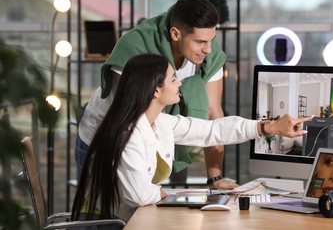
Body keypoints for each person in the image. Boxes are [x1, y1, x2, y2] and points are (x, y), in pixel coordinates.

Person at [71, 54, 313, 223]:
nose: (179, 83)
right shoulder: (128, 132)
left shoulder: (160, 122)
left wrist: (266, 127)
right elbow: (139, 195)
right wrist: (161, 193)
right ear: (156, 90)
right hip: (106, 224)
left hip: (131, 219)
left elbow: (211, 131)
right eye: (173, 79)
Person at [76, 0, 233, 189]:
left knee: (141, 212)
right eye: (200, 41)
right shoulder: (134, 46)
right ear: (176, 34)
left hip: (148, 137)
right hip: (105, 141)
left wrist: (214, 178)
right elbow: (131, 118)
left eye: (212, 40)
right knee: (106, 216)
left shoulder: (210, 52)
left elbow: (212, 114)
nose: (208, 49)